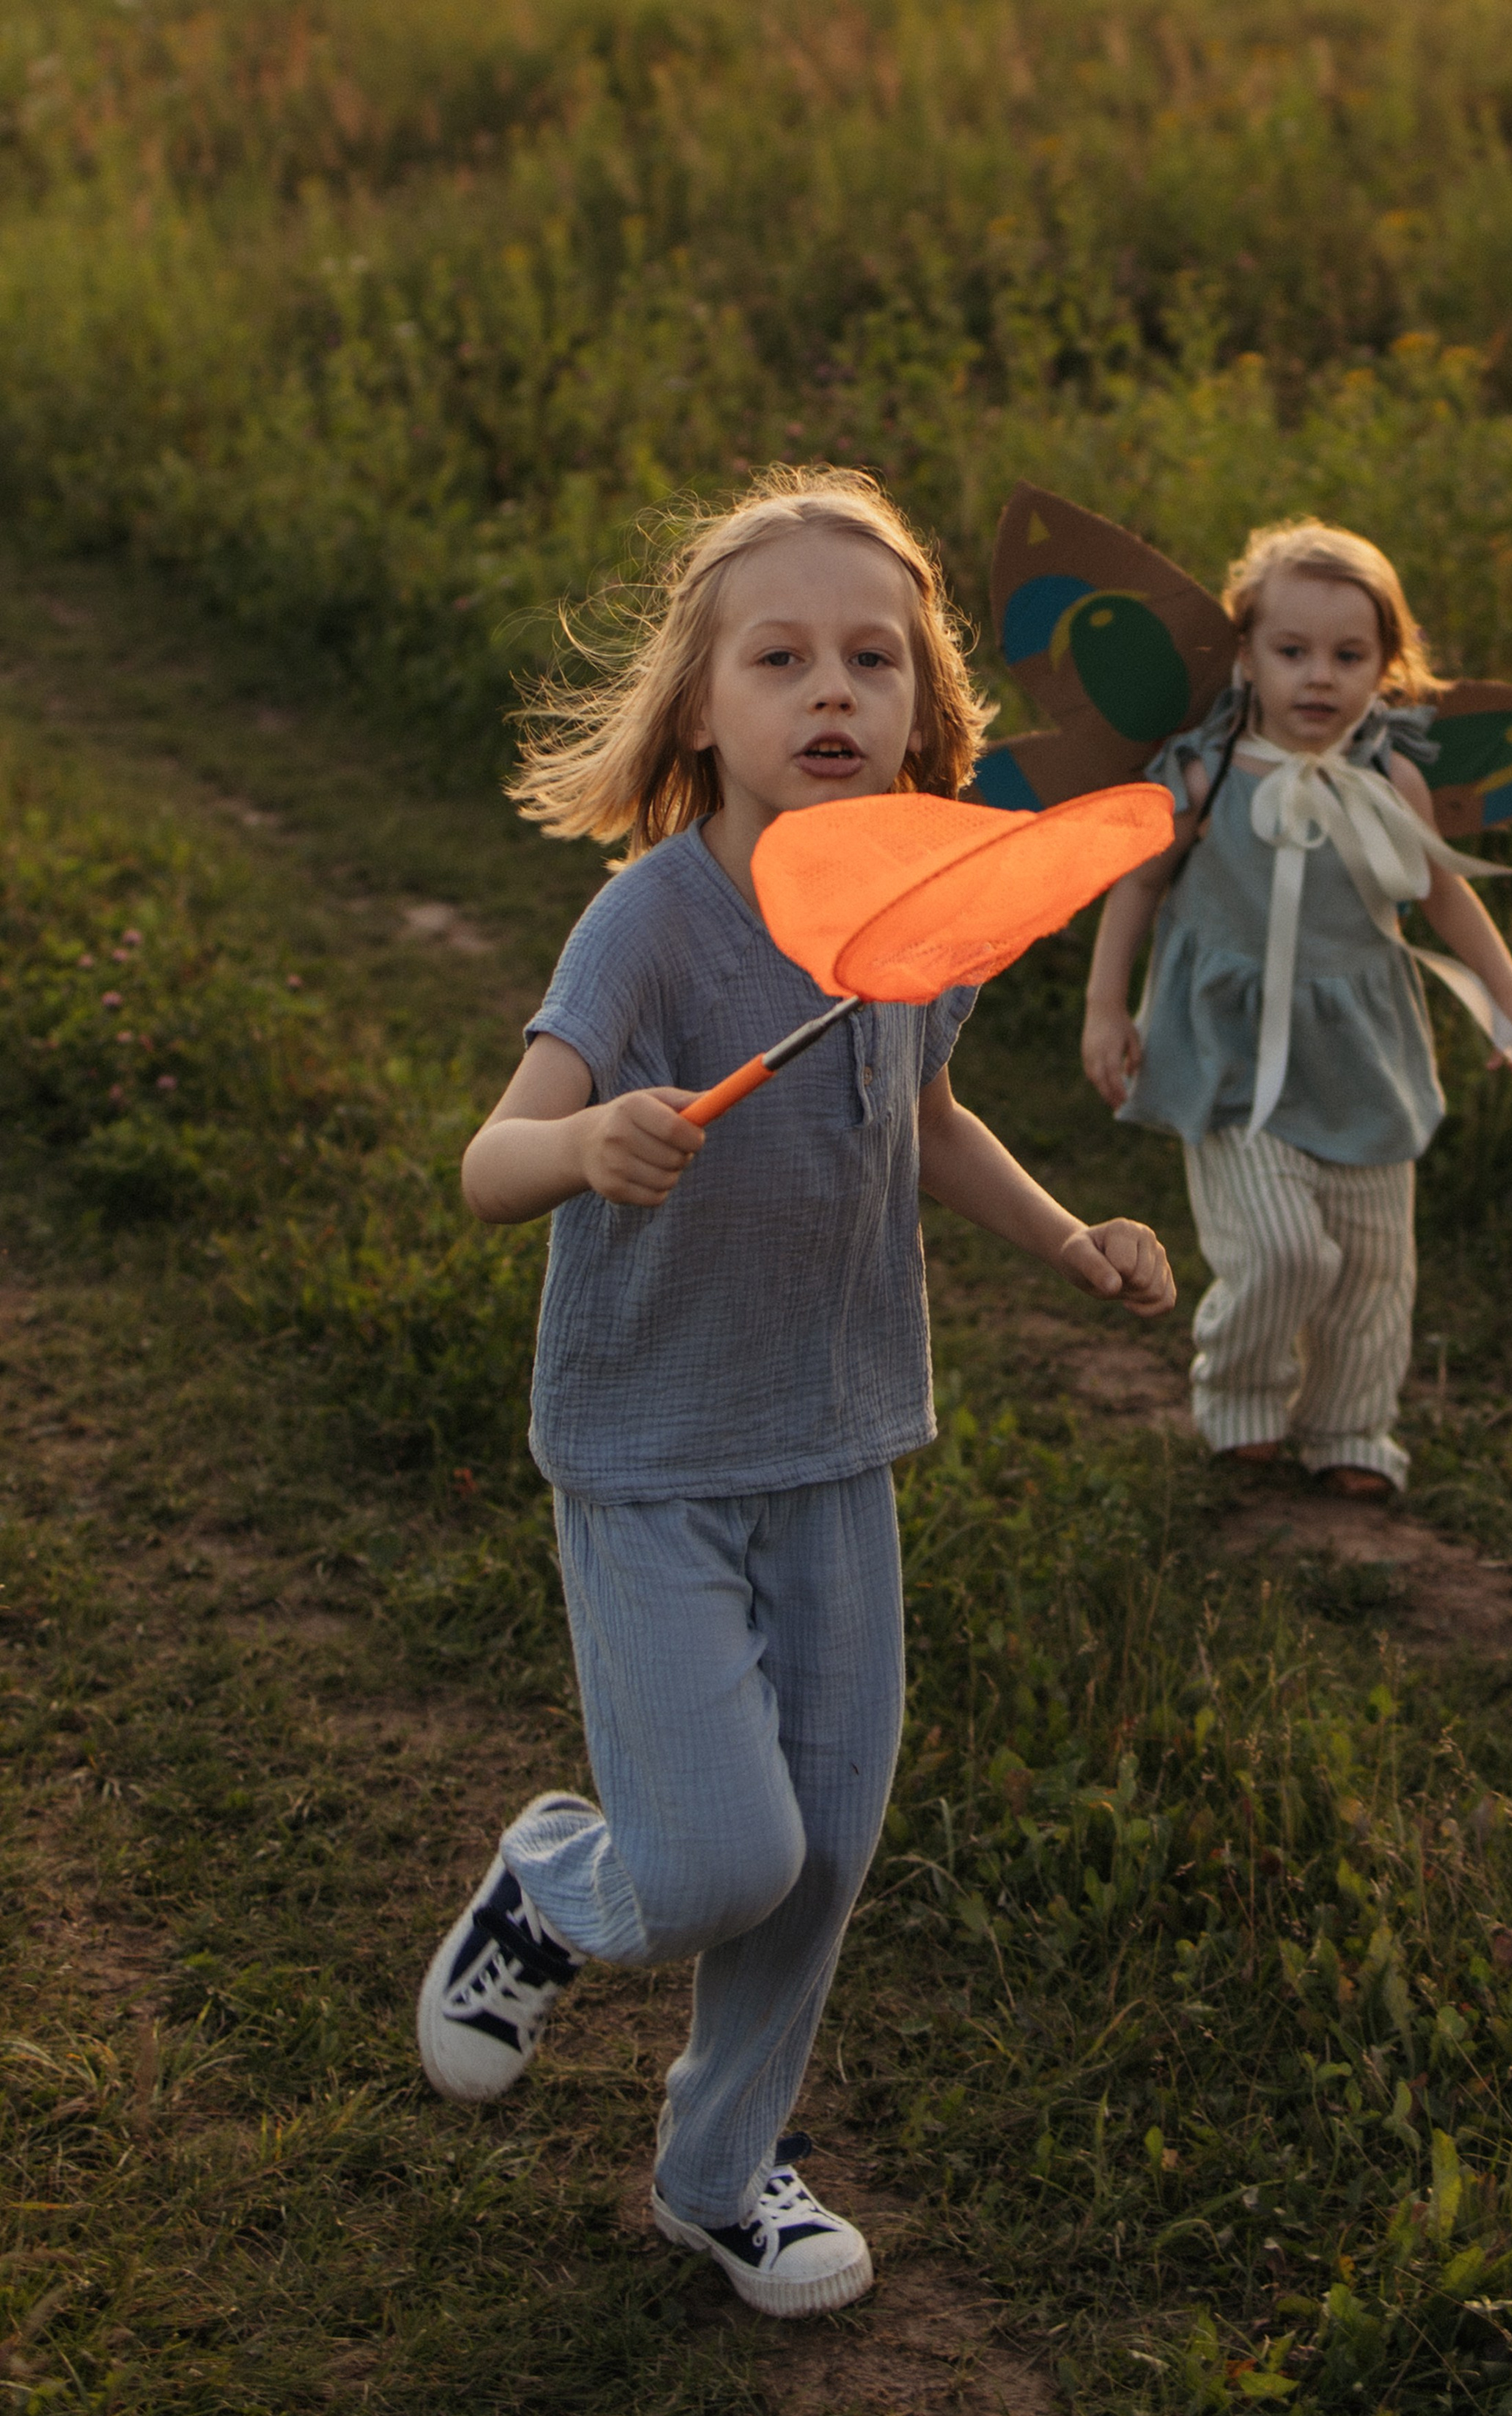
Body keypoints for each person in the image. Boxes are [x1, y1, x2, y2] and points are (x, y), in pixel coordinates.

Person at [416, 466, 1175, 2318]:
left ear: (924, 708)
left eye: (873, 659)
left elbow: (916, 1118)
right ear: (701, 706)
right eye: (780, 657)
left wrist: (1069, 1236)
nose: (830, 690)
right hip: (651, 1455)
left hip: (836, 1442)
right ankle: (555, 1886)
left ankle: (717, 2171)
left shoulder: (916, 911)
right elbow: (483, 1164)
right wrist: (588, 1137)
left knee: (822, 1849)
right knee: (716, 1856)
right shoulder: (651, 930)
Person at [1081, 518, 1512, 1498]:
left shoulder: (1391, 777)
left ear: (1388, 664)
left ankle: (1350, 1427)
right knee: (1283, 1247)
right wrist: (1105, 1006)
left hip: (1362, 1052)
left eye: (1349, 655)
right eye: (1292, 652)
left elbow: (1444, 893)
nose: (1318, 678)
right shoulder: (1203, 776)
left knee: (1373, 1265)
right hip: (1230, 1057)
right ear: (1246, 653)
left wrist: (1510, 1002)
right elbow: (1135, 886)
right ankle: (1243, 1395)